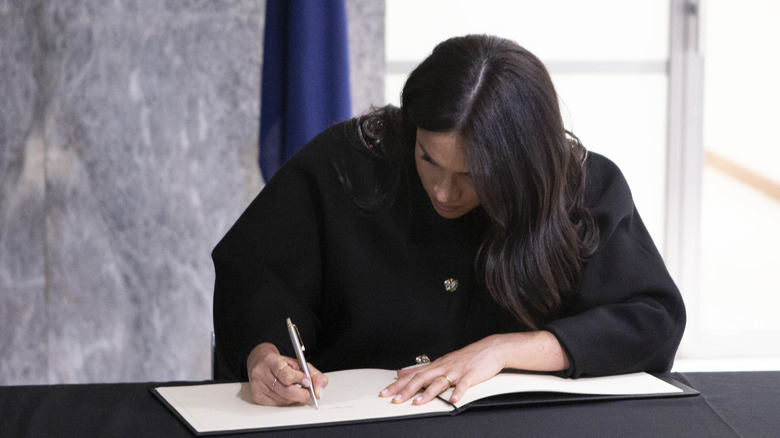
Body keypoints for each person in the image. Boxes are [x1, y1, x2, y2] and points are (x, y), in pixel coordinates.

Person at [212, 34, 686, 407]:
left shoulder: (580, 187)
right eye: (428, 159)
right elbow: (255, 279)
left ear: (521, 167)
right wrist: (265, 357)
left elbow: (651, 320)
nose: (443, 191)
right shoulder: (346, 164)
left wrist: (503, 350)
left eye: (473, 176)